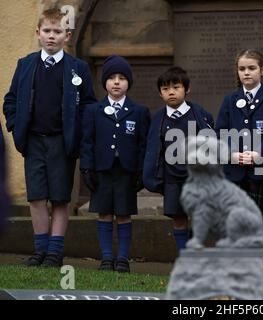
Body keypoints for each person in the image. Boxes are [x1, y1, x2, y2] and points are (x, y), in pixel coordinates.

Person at [2, 8, 96, 267]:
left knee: (59, 198)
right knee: (36, 197)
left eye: (57, 32)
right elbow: (10, 100)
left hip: (62, 143)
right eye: (47, 31)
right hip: (33, 142)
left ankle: (55, 252)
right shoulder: (26, 64)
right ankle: (40, 249)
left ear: (67, 36)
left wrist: (78, 134)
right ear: (38, 34)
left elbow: (89, 104)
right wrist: (15, 124)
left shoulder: (78, 68)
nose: (51, 36)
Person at [80, 55, 150, 272]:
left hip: (126, 172)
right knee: (104, 213)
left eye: (122, 78)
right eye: (111, 78)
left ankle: (122, 259)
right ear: (105, 83)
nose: (117, 82)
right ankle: (107, 258)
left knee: (123, 214)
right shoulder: (93, 110)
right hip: (102, 170)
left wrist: (141, 171)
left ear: (129, 82)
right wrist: (86, 168)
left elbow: (143, 144)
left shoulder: (139, 112)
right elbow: (87, 141)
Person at [215, 49, 263, 248]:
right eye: (242, 68)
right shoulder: (230, 100)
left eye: (251, 68)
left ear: (262, 70)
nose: (246, 72)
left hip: (260, 172)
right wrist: (232, 154)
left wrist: (259, 154)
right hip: (235, 171)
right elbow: (220, 132)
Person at [143, 66, 214, 252]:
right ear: (160, 93)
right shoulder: (158, 119)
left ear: (186, 89)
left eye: (176, 87)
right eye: (165, 89)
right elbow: (153, 149)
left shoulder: (199, 115)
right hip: (172, 178)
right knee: (178, 218)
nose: (171, 92)